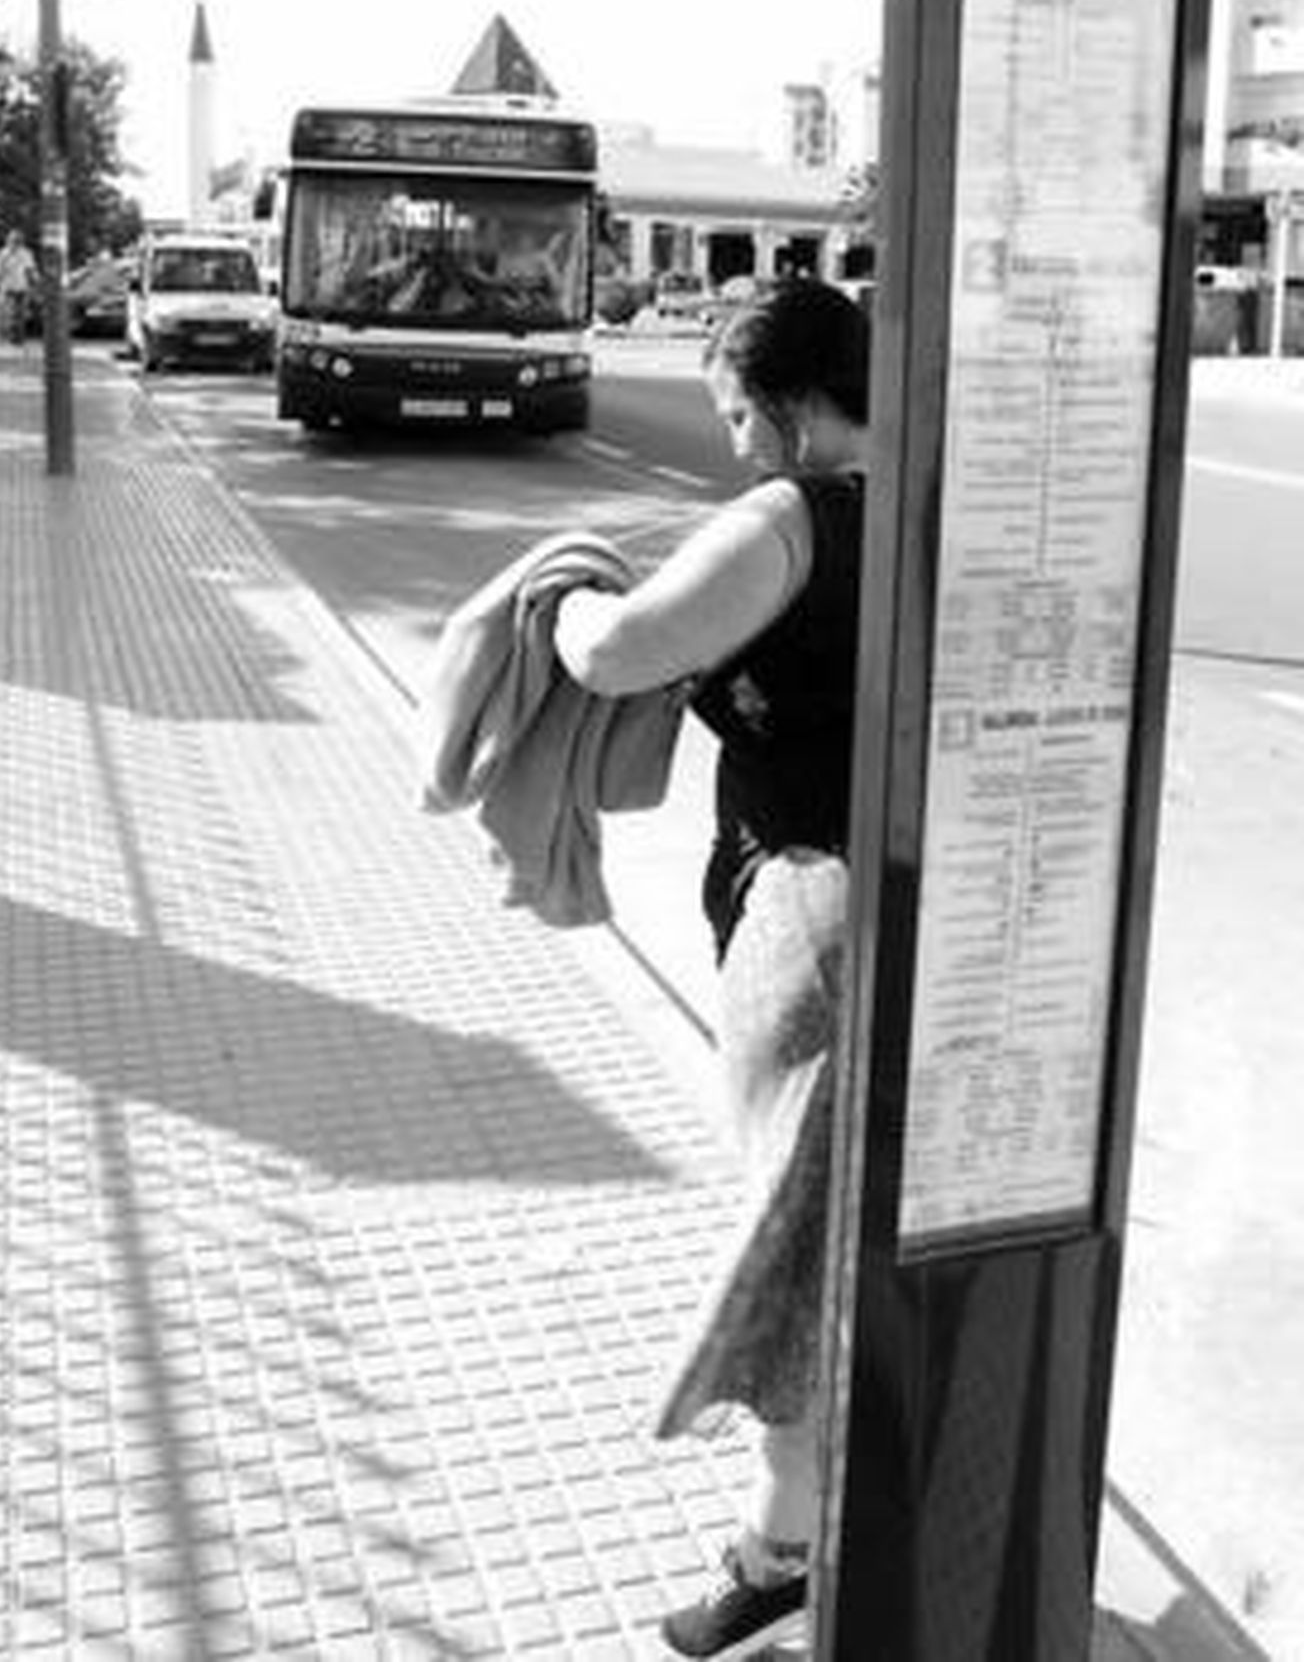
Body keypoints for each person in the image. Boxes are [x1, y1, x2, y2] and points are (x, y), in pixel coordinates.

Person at [552, 280, 869, 1659]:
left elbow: (628, 653)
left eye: (741, 414)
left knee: (793, 1247)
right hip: (939, 917)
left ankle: (782, 1542)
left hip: (815, 927)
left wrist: (565, 607)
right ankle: (856, 1503)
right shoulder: (947, 495)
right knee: (855, 1238)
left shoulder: (794, 515)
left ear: (793, 407)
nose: (736, 445)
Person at [0, 230, 37, 343]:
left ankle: (18, 337)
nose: (14, 244)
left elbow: (30, 270)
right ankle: (9, 336)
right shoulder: (3, 254)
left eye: (17, 241)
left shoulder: (26, 253)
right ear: (8, 241)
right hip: (8, 288)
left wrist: (34, 283)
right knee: (10, 313)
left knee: (21, 314)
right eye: (12, 241)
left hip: (22, 287)